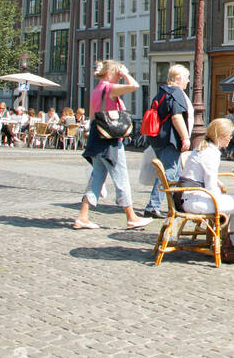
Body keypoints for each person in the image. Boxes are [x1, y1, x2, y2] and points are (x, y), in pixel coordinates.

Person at [73, 60, 149, 230]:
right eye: (117, 74)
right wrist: (125, 74)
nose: (119, 77)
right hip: (111, 142)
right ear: (109, 74)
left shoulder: (96, 90)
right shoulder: (109, 88)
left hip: (97, 137)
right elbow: (134, 86)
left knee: (96, 179)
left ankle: (83, 216)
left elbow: (93, 118)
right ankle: (131, 217)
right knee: (121, 177)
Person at [179, 117, 234, 265]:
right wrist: (223, 199)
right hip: (197, 199)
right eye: (229, 135)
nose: (231, 138)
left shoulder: (204, 148)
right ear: (220, 136)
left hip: (191, 196)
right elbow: (211, 185)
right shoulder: (210, 154)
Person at [142, 64, 193, 219]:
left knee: (176, 174)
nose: (188, 81)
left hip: (157, 138)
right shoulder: (176, 93)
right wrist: (185, 137)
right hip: (170, 139)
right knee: (168, 173)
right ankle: (153, 206)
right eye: (186, 78)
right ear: (178, 79)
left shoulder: (161, 93)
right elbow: (176, 117)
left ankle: (177, 206)